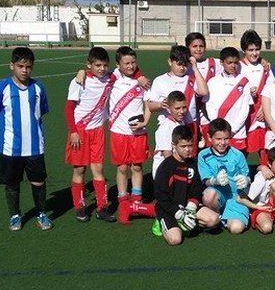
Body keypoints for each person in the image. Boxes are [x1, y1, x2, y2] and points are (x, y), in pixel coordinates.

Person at [0, 47, 52, 231]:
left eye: (28, 67)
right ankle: (15, 215)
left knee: (38, 181)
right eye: (20, 66)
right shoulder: (2, 88)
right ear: (12, 65)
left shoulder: (38, 87)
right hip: (10, 147)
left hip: (34, 146)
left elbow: (41, 112)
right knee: (12, 183)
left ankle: (41, 213)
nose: (24, 70)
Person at [65, 46, 115, 222]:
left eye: (104, 65)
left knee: (98, 169)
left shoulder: (110, 78)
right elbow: (69, 108)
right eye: (97, 65)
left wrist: (139, 76)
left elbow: (127, 69)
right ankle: (79, 207)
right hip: (80, 131)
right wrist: (73, 132)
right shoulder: (79, 81)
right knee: (79, 169)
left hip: (97, 131)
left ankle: (103, 207)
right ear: (89, 64)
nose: (102, 69)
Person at [108, 46, 156, 224]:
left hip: (137, 132)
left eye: (133, 62)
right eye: (126, 63)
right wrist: (82, 72)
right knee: (122, 168)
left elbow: (148, 104)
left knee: (136, 167)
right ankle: (122, 200)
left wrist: (145, 121)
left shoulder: (142, 82)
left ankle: (137, 199)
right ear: (118, 64)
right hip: (118, 132)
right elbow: (98, 75)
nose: (130, 66)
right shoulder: (114, 78)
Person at [153, 126, 220, 245]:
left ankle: (185, 223)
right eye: (183, 146)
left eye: (190, 145)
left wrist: (191, 206)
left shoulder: (193, 163)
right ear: (174, 145)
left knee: (214, 220)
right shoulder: (165, 167)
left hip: (187, 207)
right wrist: (177, 212)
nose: (187, 150)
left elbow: (197, 188)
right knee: (175, 240)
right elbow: (161, 196)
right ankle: (160, 223)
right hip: (169, 210)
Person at [145, 44, 208, 154]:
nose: (182, 68)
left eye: (185, 65)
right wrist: (160, 104)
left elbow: (203, 92)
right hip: (168, 126)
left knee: (189, 162)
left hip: (189, 126)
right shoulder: (160, 81)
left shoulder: (192, 77)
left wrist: (195, 69)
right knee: (169, 161)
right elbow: (150, 106)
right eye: (179, 64)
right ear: (170, 62)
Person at [197, 118, 251, 234]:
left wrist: (246, 180)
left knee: (236, 229)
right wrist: (214, 181)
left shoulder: (238, 155)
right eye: (218, 139)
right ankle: (215, 218)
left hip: (236, 197)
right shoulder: (203, 155)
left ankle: (228, 217)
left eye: (226, 139)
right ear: (210, 138)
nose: (222, 143)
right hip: (218, 195)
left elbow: (247, 177)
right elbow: (205, 180)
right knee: (209, 194)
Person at [201, 47, 254, 151]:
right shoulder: (212, 82)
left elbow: (245, 109)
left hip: (237, 133)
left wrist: (233, 130)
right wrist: (218, 127)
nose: (233, 66)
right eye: (229, 62)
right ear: (222, 62)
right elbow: (209, 105)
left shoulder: (244, 82)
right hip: (217, 132)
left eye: (235, 62)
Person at [240, 147, 275, 235]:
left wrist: (261, 167)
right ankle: (255, 219)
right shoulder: (261, 178)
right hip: (262, 209)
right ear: (269, 165)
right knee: (267, 228)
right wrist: (258, 208)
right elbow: (241, 199)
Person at [239, 30, 272, 159]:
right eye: (250, 50)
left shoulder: (265, 68)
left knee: (265, 151)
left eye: (257, 49)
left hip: (262, 115)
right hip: (244, 116)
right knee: (242, 151)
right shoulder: (238, 66)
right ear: (244, 50)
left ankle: (267, 177)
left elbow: (272, 90)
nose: (254, 53)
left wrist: (265, 109)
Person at [151, 90, 187, 178]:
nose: (181, 111)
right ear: (168, 109)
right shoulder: (166, 127)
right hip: (165, 173)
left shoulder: (181, 123)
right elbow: (167, 155)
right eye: (177, 108)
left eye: (184, 107)